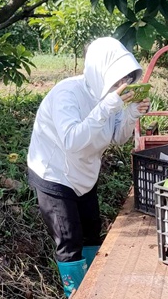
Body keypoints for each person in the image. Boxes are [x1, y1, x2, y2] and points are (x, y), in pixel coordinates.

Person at [27, 37, 150, 298]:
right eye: (117, 79)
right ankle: (77, 293)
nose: (121, 86)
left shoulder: (109, 98)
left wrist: (130, 115)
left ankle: (95, 288)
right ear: (99, 72)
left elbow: (116, 136)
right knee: (69, 239)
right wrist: (108, 107)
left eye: (126, 80)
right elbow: (72, 141)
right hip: (55, 174)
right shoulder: (67, 94)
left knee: (92, 234)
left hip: (84, 172)